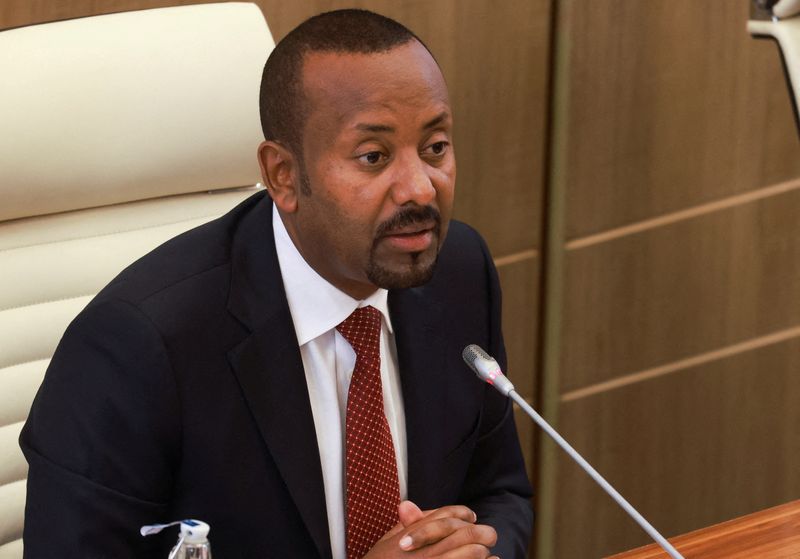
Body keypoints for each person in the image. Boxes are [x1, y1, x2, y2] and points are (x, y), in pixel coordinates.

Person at [20, 9, 533, 559]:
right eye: (374, 157)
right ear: (284, 176)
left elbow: (500, 494)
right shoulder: (135, 348)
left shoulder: (458, 271)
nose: (420, 189)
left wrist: (477, 549)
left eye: (435, 148)